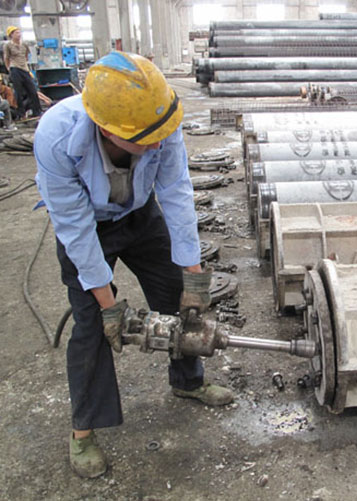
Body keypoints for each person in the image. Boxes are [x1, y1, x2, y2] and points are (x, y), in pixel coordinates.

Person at [34, 51, 233, 479]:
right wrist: (109, 306)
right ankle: (83, 430)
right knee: (92, 325)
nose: (158, 144)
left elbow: (176, 191)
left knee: (175, 298)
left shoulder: (157, 121)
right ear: (108, 130)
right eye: (147, 140)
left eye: (162, 134)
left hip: (140, 216)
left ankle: (188, 382)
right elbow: (75, 228)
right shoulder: (56, 137)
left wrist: (192, 273)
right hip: (88, 225)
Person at [3, 25, 42, 118]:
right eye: (16, 33)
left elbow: (26, 55)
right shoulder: (8, 45)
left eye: (19, 32)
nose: (19, 34)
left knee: (32, 90)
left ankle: (37, 111)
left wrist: (24, 65)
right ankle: (21, 113)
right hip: (15, 69)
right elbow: (6, 58)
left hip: (24, 69)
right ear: (11, 35)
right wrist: (9, 68)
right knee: (18, 92)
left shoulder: (24, 44)